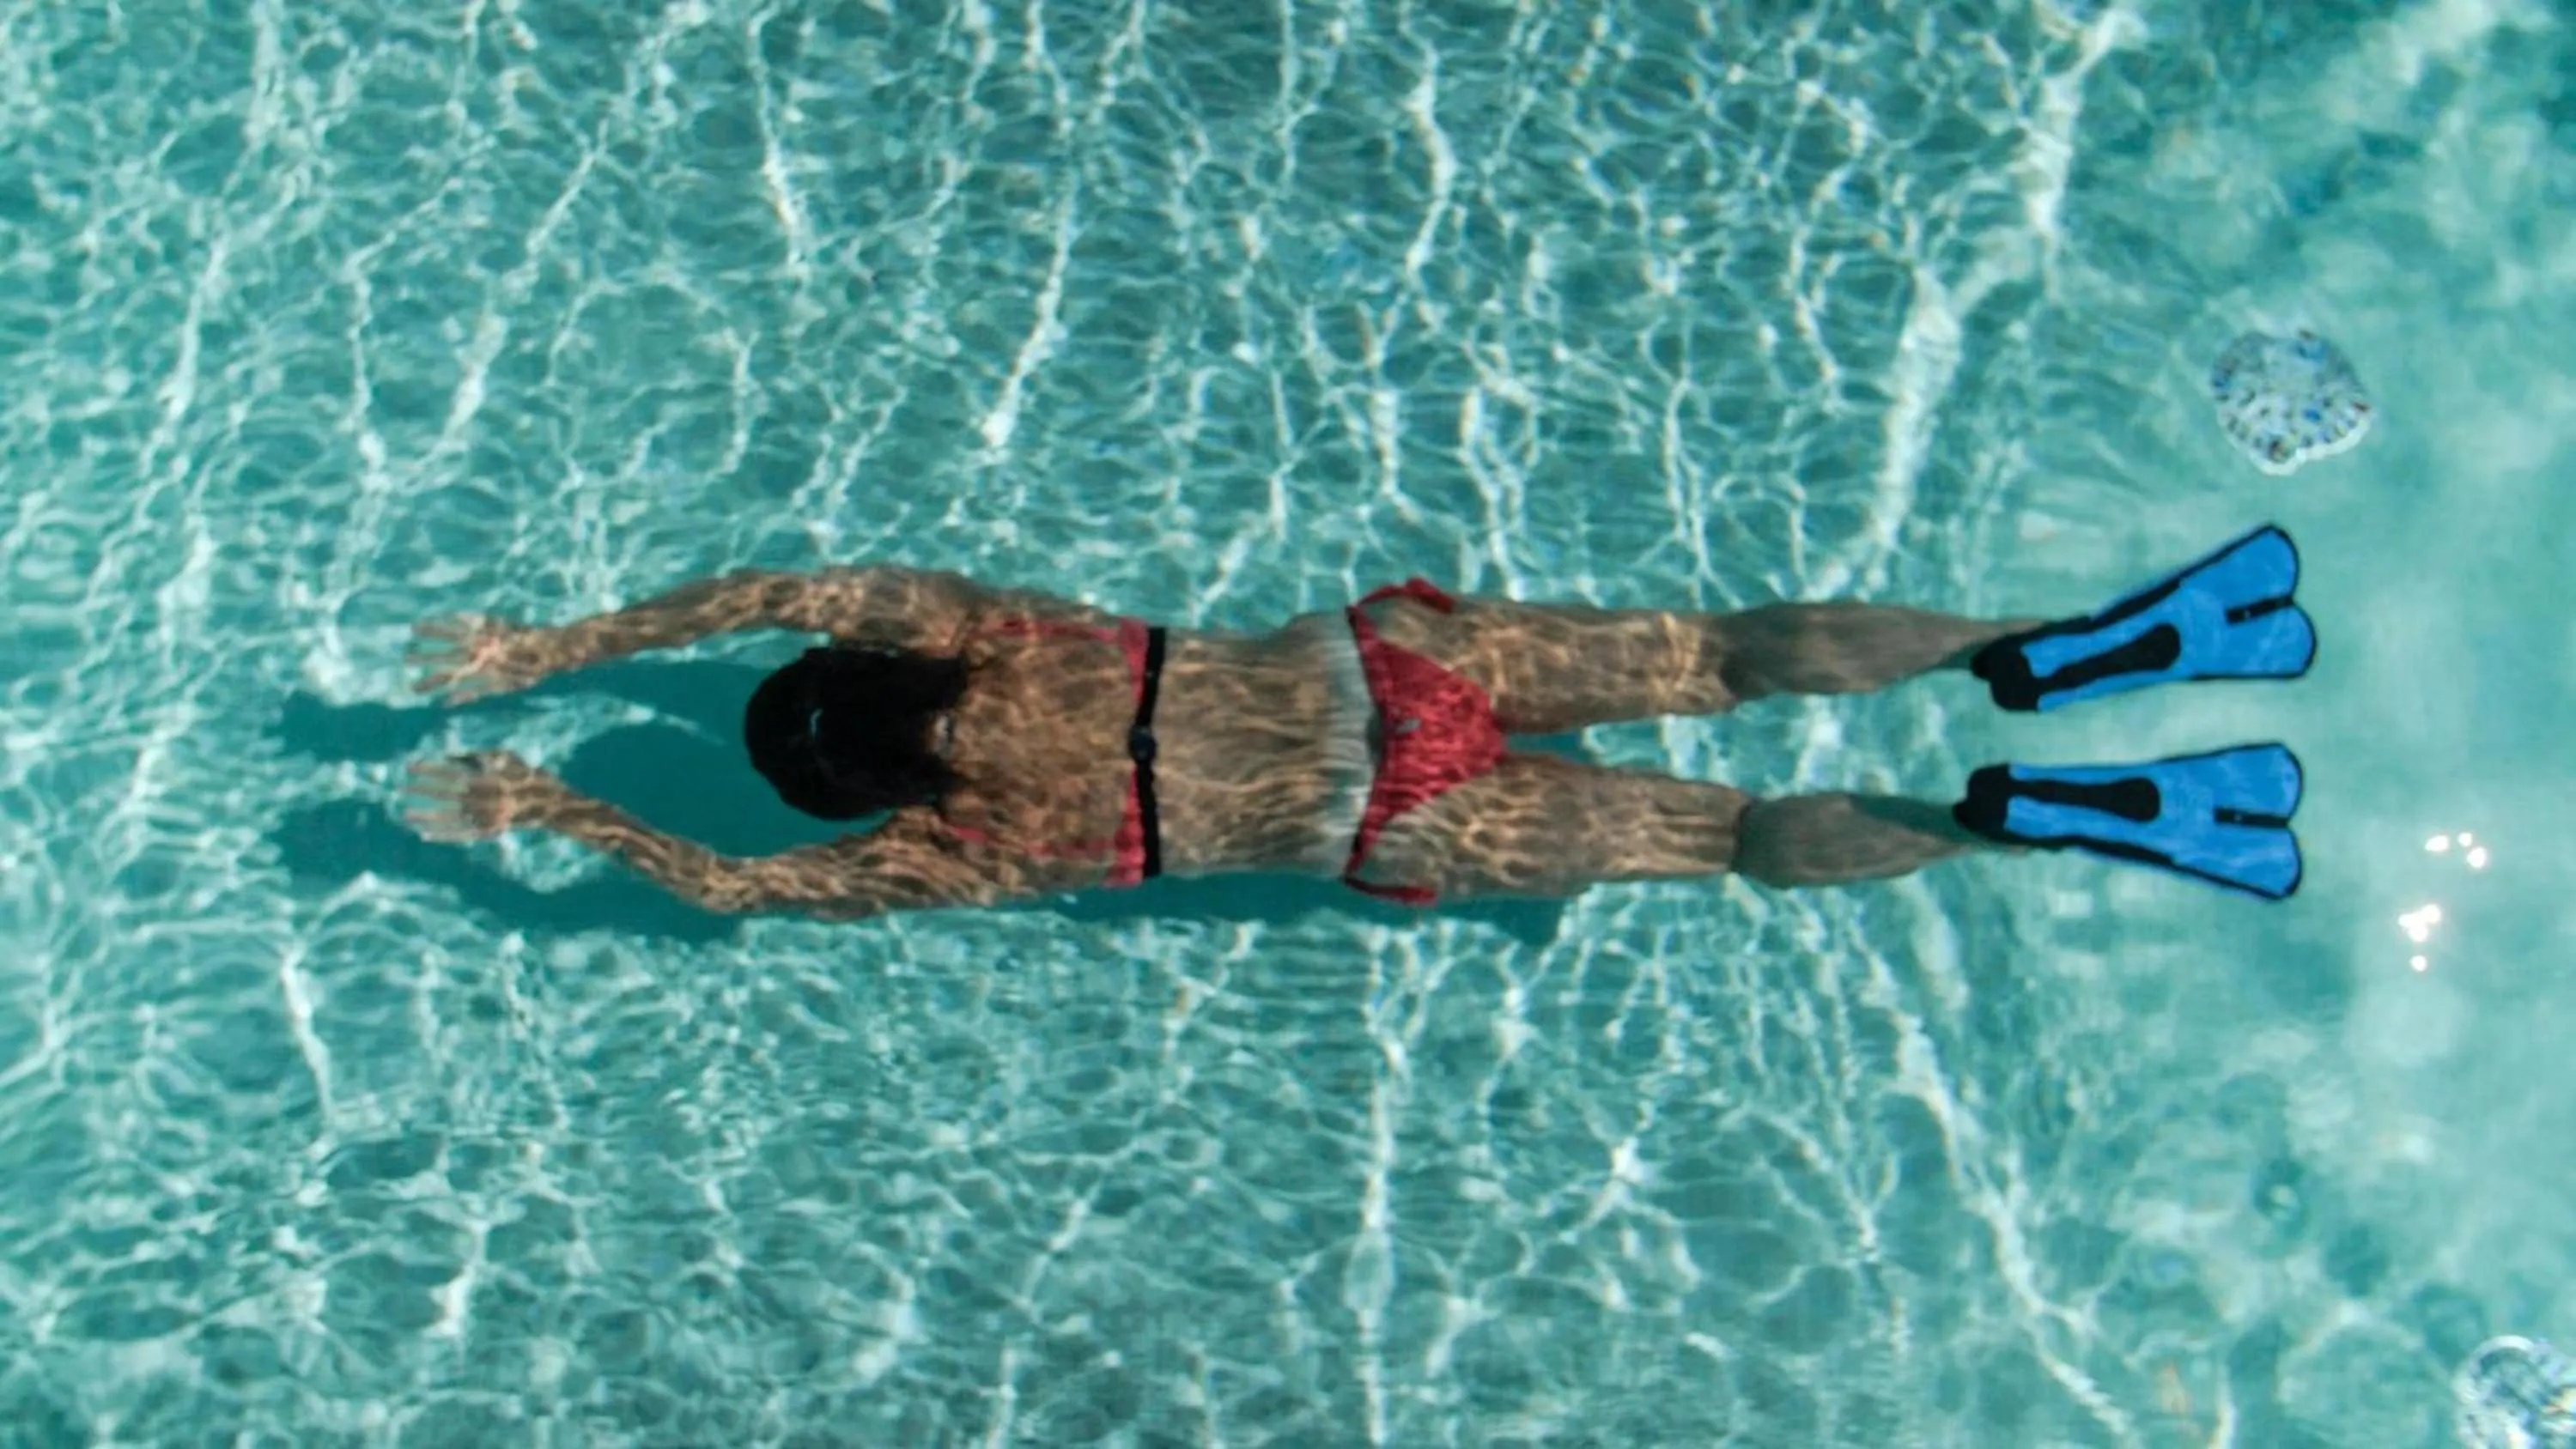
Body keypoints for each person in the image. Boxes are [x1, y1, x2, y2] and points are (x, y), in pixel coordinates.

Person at [401, 524, 2316, 919]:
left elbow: (734, 892)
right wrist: (552, 644)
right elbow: (779, 586)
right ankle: (2044, 647)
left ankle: (2007, 821)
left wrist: (559, 814)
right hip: (1369, 681)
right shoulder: (989, 636)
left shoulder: (956, 848)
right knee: (1730, 657)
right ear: (887, 683)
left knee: (1732, 838)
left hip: (1378, 830)